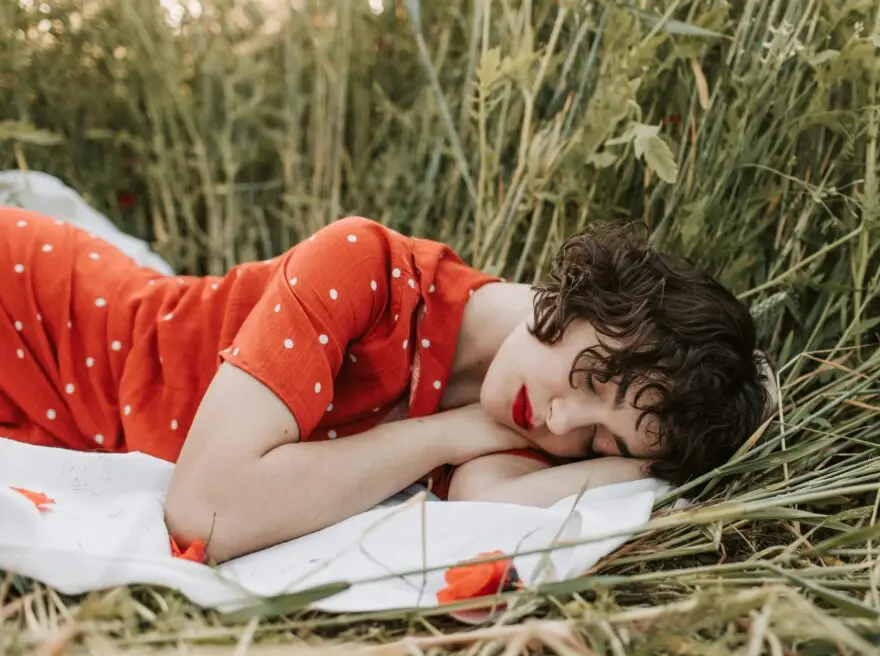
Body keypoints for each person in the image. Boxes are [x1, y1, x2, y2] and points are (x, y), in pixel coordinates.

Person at [0, 207, 775, 562]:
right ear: (583, 294)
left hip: (61, 414)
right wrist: (442, 432)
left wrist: (640, 461)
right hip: (44, 313)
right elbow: (204, 509)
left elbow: (479, 496)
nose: (560, 417)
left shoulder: (542, 422)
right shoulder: (365, 267)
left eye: (599, 436)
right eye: (589, 375)